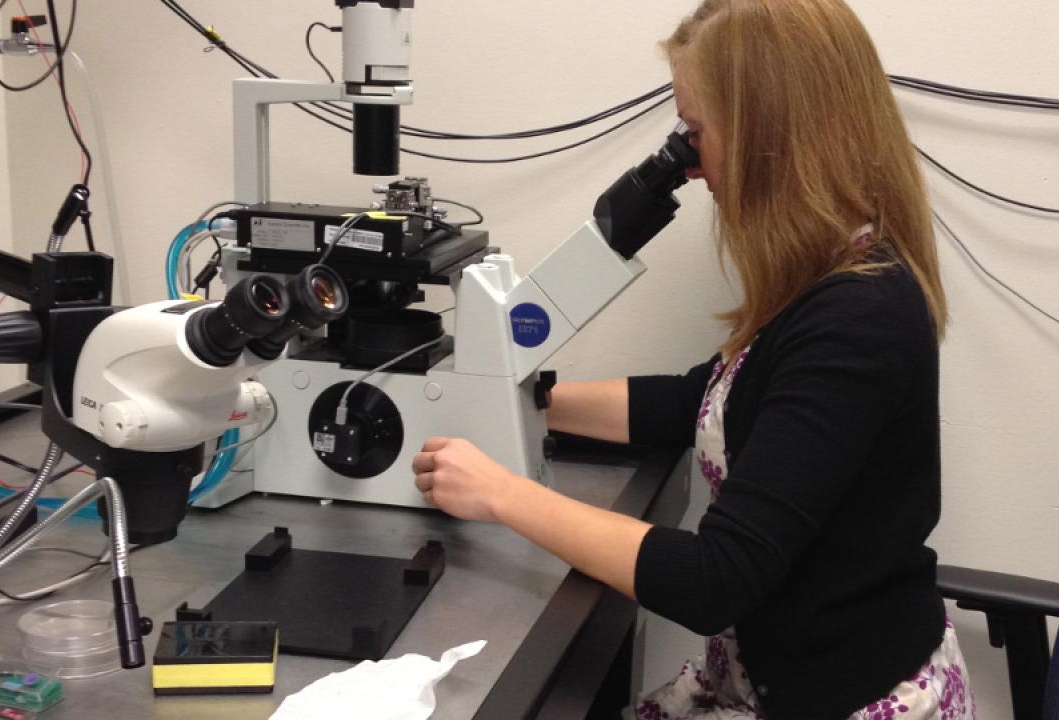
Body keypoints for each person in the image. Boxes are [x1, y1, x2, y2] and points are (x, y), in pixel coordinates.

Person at [411, 0, 975, 717]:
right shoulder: (832, 267)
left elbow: (716, 579)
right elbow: (703, 401)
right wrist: (520, 398)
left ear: (771, 136)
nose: (693, 166)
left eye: (696, 135)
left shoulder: (857, 318)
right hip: (773, 679)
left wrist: (502, 493)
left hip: (840, 699)